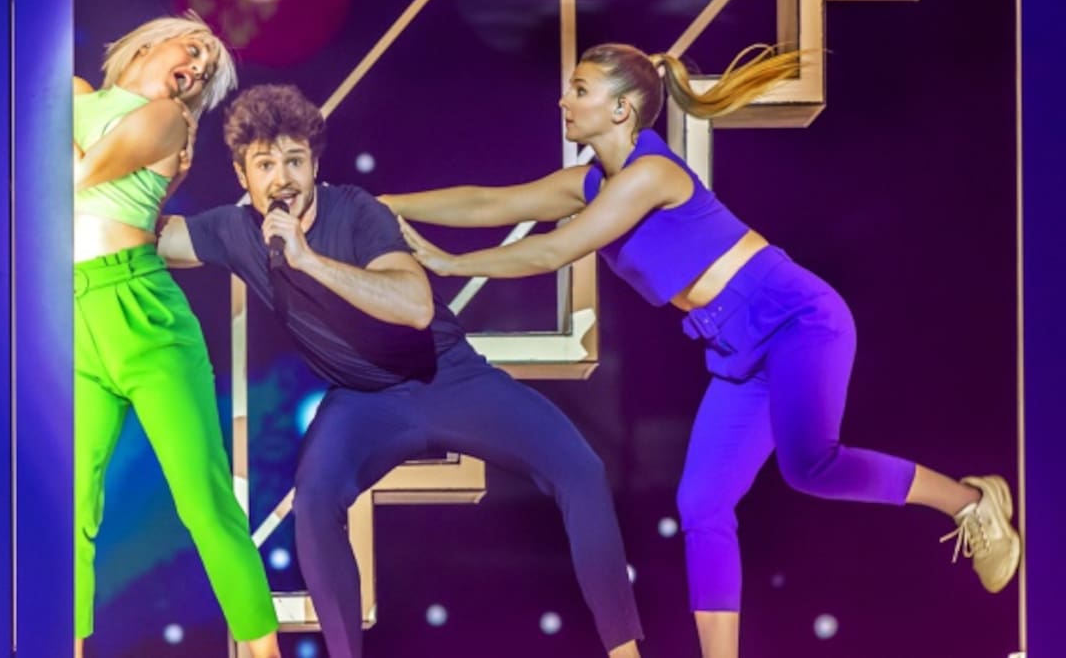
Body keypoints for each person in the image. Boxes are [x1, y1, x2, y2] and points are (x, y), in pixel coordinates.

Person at [382, 42, 1021, 658]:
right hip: (736, 347)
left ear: (621, 108)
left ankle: (971, 503)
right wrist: (386, 205)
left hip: (797, 320)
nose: (563, 100)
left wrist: (450, 263)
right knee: (702, 504)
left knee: (810, 465)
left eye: (579, 89)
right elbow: (490, 201)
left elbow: (554, 250)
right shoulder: (591, 184)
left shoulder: (652, 175)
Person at [156, 83, 645, 658]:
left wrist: (308, 259)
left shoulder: (358, 211)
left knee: (581, 469)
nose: (282, 178)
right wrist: (165, 173)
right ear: (242, 175)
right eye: (265, 165)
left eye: (294, 160)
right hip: (362, 400)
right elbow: (146, 236)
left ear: (315, 165)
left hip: (449, 378)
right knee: (313, 503)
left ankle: (625, 652)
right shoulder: (235, 230)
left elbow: (414, 307)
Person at [73, 12, 279, 658]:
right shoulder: (77, 94)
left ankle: (264, 652)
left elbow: (74, 178)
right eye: (191, 49)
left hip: (143, 312)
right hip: (69, 312)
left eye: (205, 70)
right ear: (151, 42)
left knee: (203, 500)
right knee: (72, 505)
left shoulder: (169, 119)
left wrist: (43, 129)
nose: (196, 66)